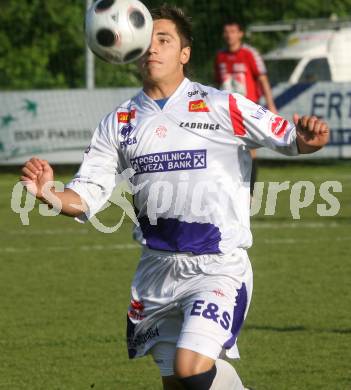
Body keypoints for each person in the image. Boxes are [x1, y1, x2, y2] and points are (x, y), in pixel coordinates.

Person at [20, 5, 329, 390]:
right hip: (156, 273)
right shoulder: (118, 122)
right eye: (147, 40)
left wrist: (310, 139)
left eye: (164, 40)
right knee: (178, 384)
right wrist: (48, 192)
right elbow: (85, 196)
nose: (153, 48)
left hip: (217, 267)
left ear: (184, 53)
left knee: (191, 367)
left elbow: (289, 137)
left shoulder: (222, 105)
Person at [214, 20, 278, 197]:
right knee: (225, 149)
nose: (229, 35)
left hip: (247, 110)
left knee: (250, 150)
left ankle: (248, 193)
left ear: (240, 34)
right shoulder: (220, 56)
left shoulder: (250, 54)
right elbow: (216, 83)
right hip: (224, 111)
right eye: (226, 32)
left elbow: (262, 79)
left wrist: (270, 104)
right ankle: (229, 190)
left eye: (233, 31)